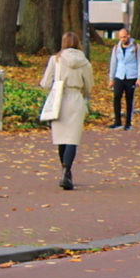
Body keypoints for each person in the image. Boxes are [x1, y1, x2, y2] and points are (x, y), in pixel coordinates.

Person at [40, 32, 94, 190]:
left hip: (59, 99)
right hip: (75, 98)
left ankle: (64, 171)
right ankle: (66, 171)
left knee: (61, 137)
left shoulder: (55, 60)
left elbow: (45, 82)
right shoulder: (84, 62)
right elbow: (88, 85)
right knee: (72, 138)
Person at [108, 28, 140, 130]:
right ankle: (117, 121)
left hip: (131, 76)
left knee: (129, 100)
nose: (123, 39)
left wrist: (139, 77)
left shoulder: (136, 47)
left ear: (128, 35)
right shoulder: (116, 48)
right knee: (117, 97)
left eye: (124, 37)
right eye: (121, 37)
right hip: (119, 76)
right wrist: (111, 78)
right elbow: (113, 63)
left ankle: (128, 123)